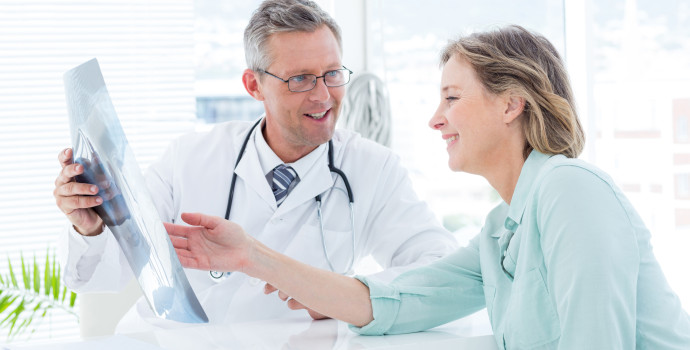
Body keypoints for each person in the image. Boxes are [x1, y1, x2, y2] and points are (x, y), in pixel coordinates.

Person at [165, 25, 690, 349]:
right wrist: (251, 256)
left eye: (453, 98)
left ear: (511, 104)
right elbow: (398, 299)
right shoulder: (500, 231)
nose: (436, 120)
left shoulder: (571, 192)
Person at [53, 0, 457, 332]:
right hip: (167, 342)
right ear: (253, 85)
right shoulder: (190, 157)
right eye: (300, 79)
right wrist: (89, 228)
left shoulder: (373, 168)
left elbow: (439, 274)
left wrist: (342, 295)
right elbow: (99, 278)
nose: (324, 96)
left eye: (332, 74)